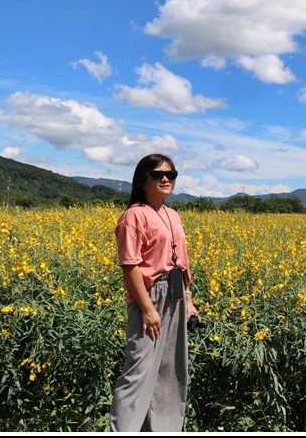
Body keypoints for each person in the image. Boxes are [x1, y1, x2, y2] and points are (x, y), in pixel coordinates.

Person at [109, 153, 201, 432]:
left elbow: (181, 262)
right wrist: (147, 309)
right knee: (138, 370)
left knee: (171, 370)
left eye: (170, 175)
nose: (165, 179)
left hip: (176, 293)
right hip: (150, 295)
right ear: (142, 179)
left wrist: (189, 300)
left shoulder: (172, 214)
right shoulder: (133, 215)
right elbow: (129, 265)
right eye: (158, 174)